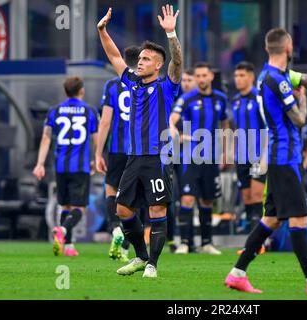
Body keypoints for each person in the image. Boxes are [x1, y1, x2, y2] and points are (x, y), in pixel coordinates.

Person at [224, 28, 307, 294]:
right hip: (286, 156)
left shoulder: (273, 76)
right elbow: (299, 119)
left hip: (279, 155)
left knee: (272, 219)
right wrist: (304, 100)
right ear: (288, 48)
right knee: (299, 218)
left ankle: (237, 273)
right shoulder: (279, 80)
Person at [97, 4, 182, 277]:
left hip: (157, 158)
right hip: (133, 158)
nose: (140, 62)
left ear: (158, 64)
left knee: (157, 209)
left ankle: (153, 266)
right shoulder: (131, 82)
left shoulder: (167, 86)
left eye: (146, 59)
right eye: (140, 58)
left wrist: (171, 35)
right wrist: (102, 30)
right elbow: (114, 55)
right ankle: (141, 257)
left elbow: (178, 62)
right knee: (122, 209)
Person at [33, 77, 99, 257]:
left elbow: (46, 138)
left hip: (61, 166)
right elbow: (96, 139)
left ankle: (68, 245)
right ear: (82, 91)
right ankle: (62, 230)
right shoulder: (89, 111)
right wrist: (97, 158)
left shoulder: (55, 111)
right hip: (80, 166)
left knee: (65, 206)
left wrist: (40, 164)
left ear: (65, 91)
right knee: (80, 207)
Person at [169, 62, 229, 255]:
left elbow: (225, 124)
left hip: (211, 158)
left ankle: (207, 243)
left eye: (204, 75)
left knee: (207, 201)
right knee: (187, 199)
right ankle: (185, 243)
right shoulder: (187, 99)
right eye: (198, 76)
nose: (201, 79)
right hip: (190, 157)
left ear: (211, 76)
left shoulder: (221, 99)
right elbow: (171, 121)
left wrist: (226, 152)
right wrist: (183, 136)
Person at [95, 45, 141, 262]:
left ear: (122, 59)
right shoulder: (146, 82)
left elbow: (105, 122)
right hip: (139, 151)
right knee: (134, 198)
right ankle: (125, 249)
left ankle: (115, 229)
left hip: (116, 149)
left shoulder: (113, 85)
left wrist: (97, 153)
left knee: (111, 189)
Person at [230, 61, 267, 238]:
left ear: (251, 77)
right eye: (236, 76)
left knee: (257, 195)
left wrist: (265, 156)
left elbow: (267, 129)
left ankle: (259, 242)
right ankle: (252, 239)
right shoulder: (235, 101)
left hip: (257, 155)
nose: (238, 79)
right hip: (241, 157)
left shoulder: (259, 98)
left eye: (242, 75)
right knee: (247, 198)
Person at [170, 68, 197, 253]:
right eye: (184, 80)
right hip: (173, 156)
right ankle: (173, 240)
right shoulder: (175, 102)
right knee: (173, 199)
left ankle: (193, 242)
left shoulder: (200, 102)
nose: (186, 83)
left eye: (189, 80)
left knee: (192, 199)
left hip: (194, 157)